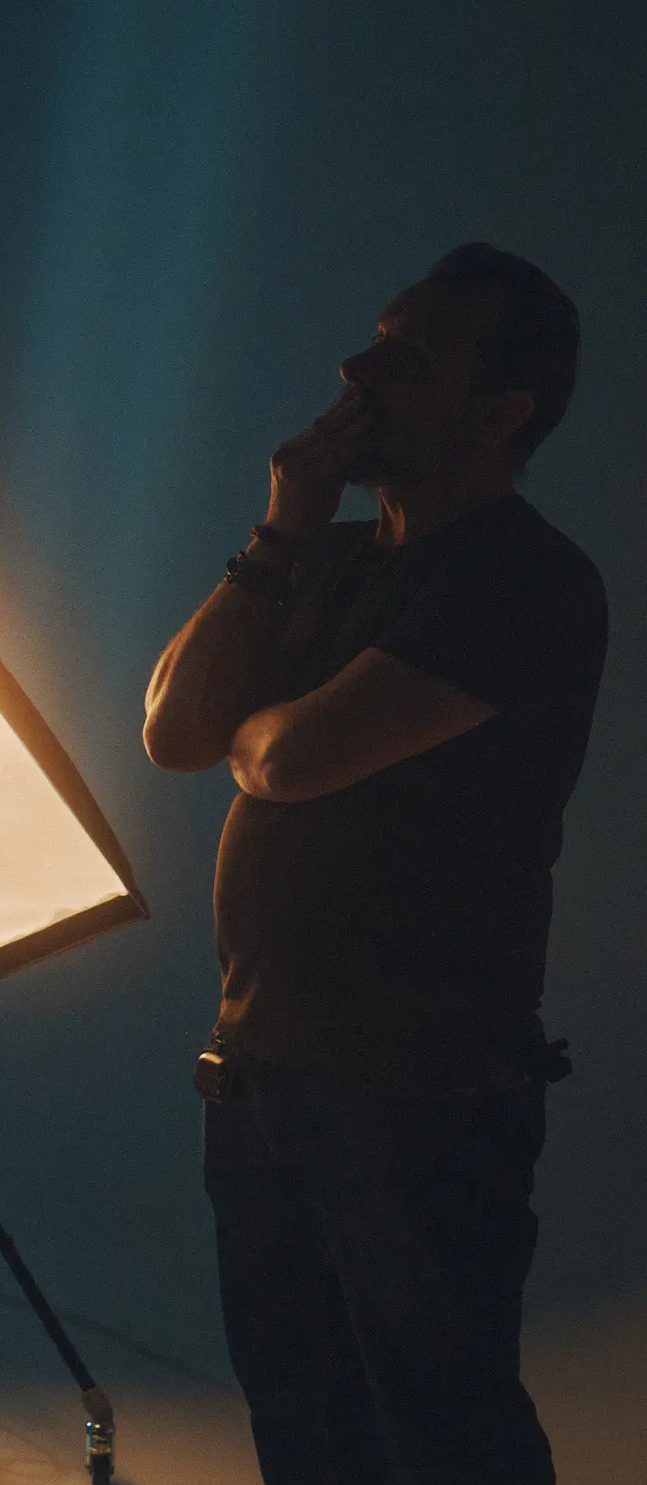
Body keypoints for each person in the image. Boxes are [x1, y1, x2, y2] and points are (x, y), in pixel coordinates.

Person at [139, 243, 604, 1485]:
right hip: (261, 1080)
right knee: (301, 1428)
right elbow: (175, 732)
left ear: (501, 409)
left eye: (404, 357)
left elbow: (288, 760)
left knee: (444, 1435)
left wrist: (262, 733)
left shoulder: (525, 579)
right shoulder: (329, 563)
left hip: (413, 1099)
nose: (354, 371)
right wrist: (280, 530)